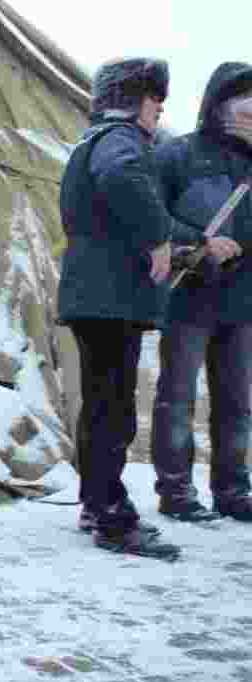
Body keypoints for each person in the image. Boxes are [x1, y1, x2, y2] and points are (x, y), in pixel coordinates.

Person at [57, 57, 198, 560]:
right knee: (112, 412)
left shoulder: (94, 140)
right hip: (109, 298)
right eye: (154, 97)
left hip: (98, 295)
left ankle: (96, 504)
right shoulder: (121, 141)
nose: (160, 107)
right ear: (132, 100)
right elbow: (122, 179)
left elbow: (114, 215)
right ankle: (112, 517)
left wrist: (185, 243)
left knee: (101, 407)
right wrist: (158, 237)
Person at [152, 61, 251, 522]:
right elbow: (151, 218)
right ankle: (176, 493)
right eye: (243, 103)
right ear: (219, 105)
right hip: (188, 297)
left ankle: (233, 492)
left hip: (243, 301)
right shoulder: (177, 155)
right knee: (177, 398)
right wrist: (199, 243)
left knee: (237, 404)